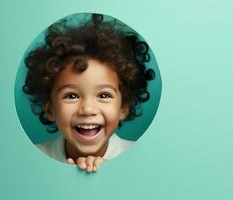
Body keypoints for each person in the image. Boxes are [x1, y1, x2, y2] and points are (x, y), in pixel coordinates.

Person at [22, 13, 154, 172]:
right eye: (72, 96)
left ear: (123, 108)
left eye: (103, 95)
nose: (88, 109)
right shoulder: (31, 161)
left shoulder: (142, 160)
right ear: (50, 109)